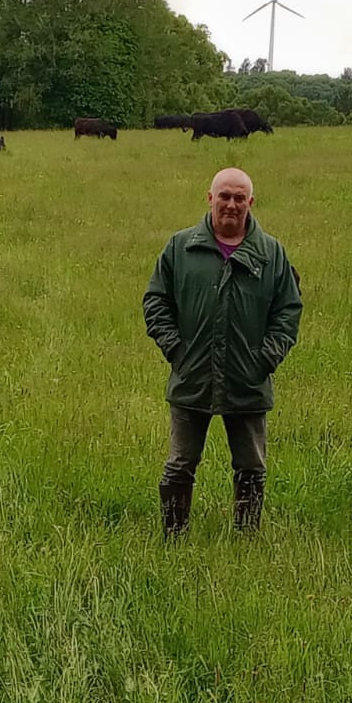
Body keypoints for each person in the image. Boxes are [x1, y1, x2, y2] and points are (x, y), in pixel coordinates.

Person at [143, 167, 303, 536]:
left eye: (239, 197)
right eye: (224, 196)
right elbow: (155, 300)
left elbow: (288, 309)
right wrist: (174, 348)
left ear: (251, 202)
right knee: (180, 464)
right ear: (210, 198)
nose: (231, 204)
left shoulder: (271, 252)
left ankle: (246, 540)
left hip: (248, 378)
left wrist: (267, 357)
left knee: (251, 467)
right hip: (192, 374)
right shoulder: (181, 247)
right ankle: (174, 538)